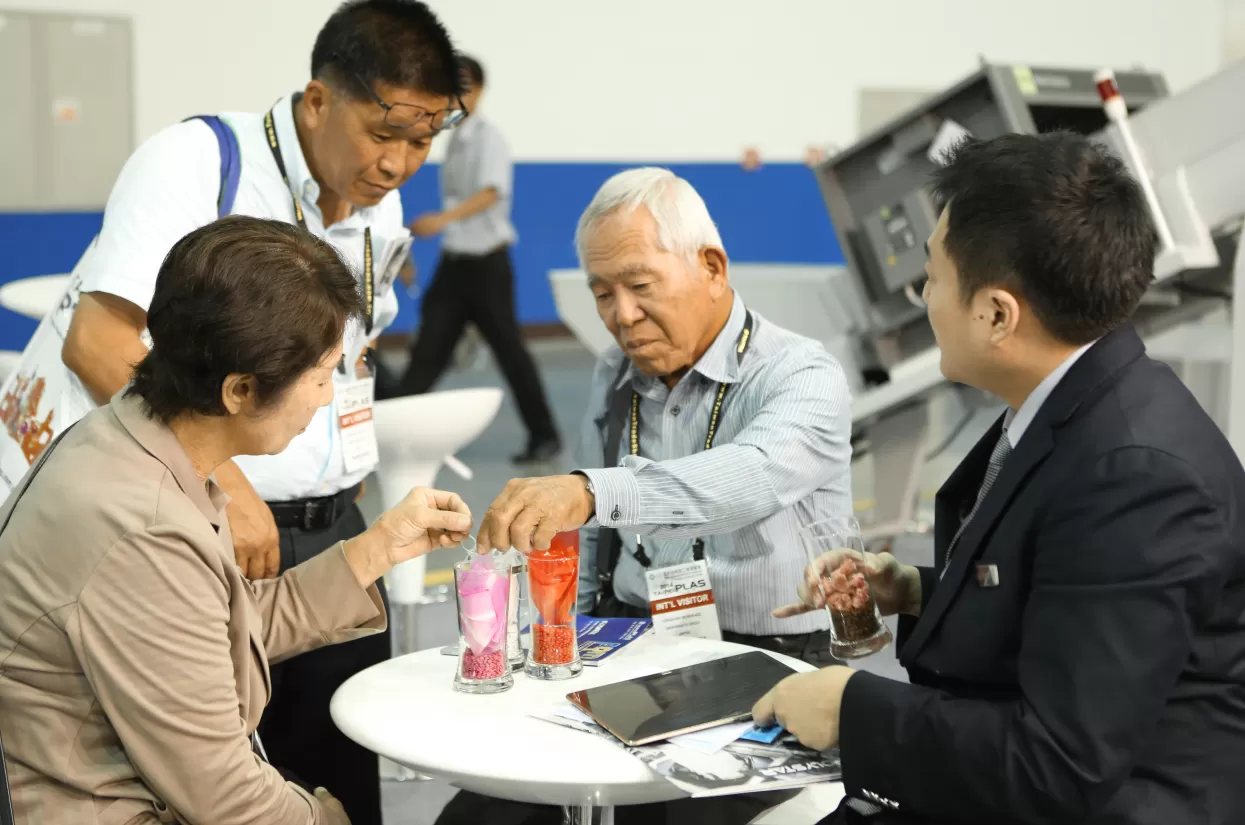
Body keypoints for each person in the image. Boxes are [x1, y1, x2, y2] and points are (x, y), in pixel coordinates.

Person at [0, 4, 463, 821]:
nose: (397, 164)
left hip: (303, 515)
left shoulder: (375, 214)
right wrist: (227, 485)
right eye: (382, 132)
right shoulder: (197, 160)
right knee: (246, 765)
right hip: (216, 510)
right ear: (319, 100)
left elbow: (239, 629)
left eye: (422, 142)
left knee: (328, 759)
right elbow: (100, 341)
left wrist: (374, 543)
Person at [755, 132, 1245, 825]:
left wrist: (849, 707)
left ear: (995, 314)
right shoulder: (1081, 403)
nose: (923, 297)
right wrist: (920, 589)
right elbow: (1063, 598)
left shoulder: (1133, 475)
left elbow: (1057, 764)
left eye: (929, 277)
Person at [438, 168, 852, 825]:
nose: (620, 316)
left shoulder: (801, 374)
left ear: (711, 267)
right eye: (602, 293)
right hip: (638, 633)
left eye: (638, 286)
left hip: (773, 657)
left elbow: (746, 478)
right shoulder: (617, 373)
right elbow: (596, 531)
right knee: (489, 807)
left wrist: (589, 491)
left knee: (662, 815)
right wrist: (559, 627)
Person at [391, 53, 561, 464]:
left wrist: (441, 219)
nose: (456, 95)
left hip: (487, 265)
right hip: (455, 263)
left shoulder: (490, 138)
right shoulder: (453, 135)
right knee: (429, 349)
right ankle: (390, 431)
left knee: (511, 353)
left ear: (480, 91)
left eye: (464, 87)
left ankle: (544, 435)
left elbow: (490, 192)